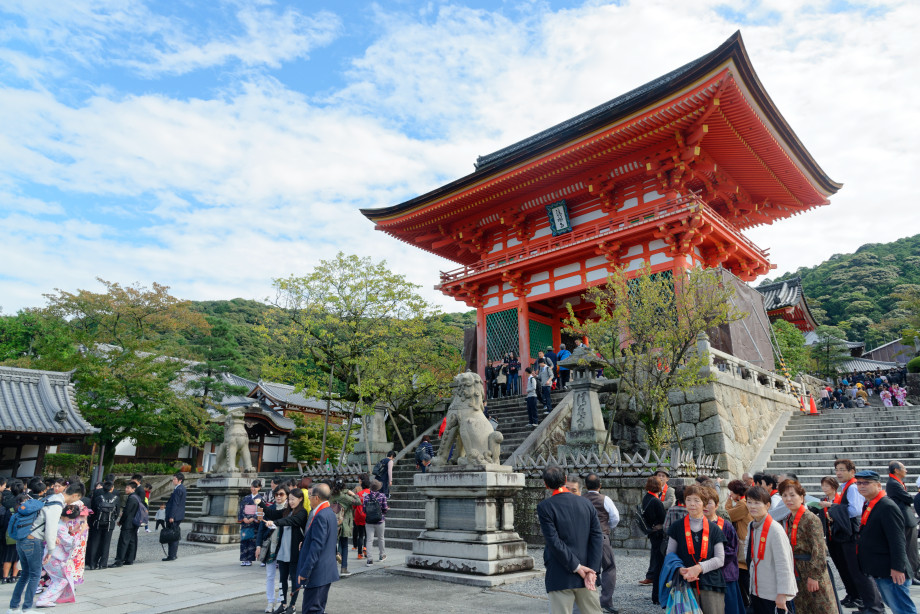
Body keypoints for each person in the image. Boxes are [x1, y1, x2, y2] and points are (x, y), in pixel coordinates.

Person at [536, 464, 603, 614]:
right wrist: (593, 570)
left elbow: (554, 541)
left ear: (546, 485)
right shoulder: (586, 503)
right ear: (565, 479)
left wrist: (577, 567)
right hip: (588, 573)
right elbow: (597, 537)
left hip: (561, 572)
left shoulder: (545, 507)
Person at [8, 480, 82, 614]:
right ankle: (26, 609)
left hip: (23, 538)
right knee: (35, 575)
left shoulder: (49, 498)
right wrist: (51, 550)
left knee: (25, 574)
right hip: (33, 541)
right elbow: (51, 529)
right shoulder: (57, 504)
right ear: (76, 496)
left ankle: (13, 608)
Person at [854, 470, 916, 614]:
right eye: (859, 483)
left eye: (866, 483)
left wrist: (898, 567)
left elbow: (897, 539)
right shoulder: (872, 504)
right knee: (895, 605)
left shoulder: (886, 506)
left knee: (903, 608)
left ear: (878, 485)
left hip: (891, 570)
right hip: (881, 569)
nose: (862, 486)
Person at [777, 480, 837, 614]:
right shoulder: (789, 518)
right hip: (797, 570)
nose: (788, 499)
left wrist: (814, 576)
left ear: (802, 497)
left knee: (820, 607)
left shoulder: (810, 518)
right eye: (785, 495)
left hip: (811, 569)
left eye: (792, 495)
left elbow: (819, 550)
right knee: (803, 608)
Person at [666, 483, 726, 614]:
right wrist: (680, 569)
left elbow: (720, 559)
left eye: (696, 500)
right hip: (685, 582)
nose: (692, 504)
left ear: (704, 505)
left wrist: (699, 568)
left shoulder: (714, 529)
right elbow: (670, 554)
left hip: (710, 584)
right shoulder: (676, 527)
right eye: (688, 500)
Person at [832, 459, 883, 613]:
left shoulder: (853, 488)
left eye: (842, 469)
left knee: (860, 573)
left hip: (853, 535)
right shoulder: (847, 487)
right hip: (849, 534)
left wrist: (833, 508)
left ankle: (874, 607)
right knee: (856, 572)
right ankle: (868, 605)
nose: (839, 473)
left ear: (852, 472)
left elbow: (855, 510)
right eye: (837, 470)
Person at [742, 486, 797, 614]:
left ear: (767, 505)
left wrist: (782, 594)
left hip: (774, 594)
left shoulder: (775, 529)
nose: (752, 506)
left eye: (757, 503)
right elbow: (747, 549)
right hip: (757, 590)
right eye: (749, 502)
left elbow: (784, 564)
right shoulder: (752, 525)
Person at [294, 484, 339, 614]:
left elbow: (317, 547)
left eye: (310, 496)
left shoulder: (320, 515)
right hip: (325, 570)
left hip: (317, 572)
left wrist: (305, 571)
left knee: (311, 609)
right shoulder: (329, 512)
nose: (309, 499)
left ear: (317, 498)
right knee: (318, 608)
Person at [264, 487, 310, 614]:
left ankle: (292, 605)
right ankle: (283, 604)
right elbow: (272, 513)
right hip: (283, 550)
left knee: (294, 578)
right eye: (289, 499)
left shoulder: (302, 513)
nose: (291, 502)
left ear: (300, 499)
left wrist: (275, 523)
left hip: (294, 551)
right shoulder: (287, 511)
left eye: (293, 499)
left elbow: (291, 521)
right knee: (282, 579)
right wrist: (260, 503)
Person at [35, 502, 90, 607]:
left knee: (59, 579)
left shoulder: (59, 523)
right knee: (61, 580)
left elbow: (65, 538)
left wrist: (74, 530)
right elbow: (71, 543)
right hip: (54, 558)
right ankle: (44, 599)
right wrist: (81, 531)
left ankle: (48, 598)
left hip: (51, 556)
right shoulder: (61, 527)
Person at [700, 487, 743, 614]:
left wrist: (711, 560)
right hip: (703, 575)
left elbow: (732, 550)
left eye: (709, 502)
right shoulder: (695, 525)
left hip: (725, 574)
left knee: (728, 608)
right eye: (702, 502)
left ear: (717, 505)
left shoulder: (726, 525)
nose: (705, 506)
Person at [583, 474, 619, 614]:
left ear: (585, 486)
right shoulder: (605, 499)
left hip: (584, 537)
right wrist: (606, 526)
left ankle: (586, 601)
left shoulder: (581, 499)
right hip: (602, 535)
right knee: (609, 567)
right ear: (600, 485)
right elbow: (615, 518)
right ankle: (605, 601)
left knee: (586, 568)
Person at [886, 461, 920, 580]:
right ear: (896, 470)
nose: (906, 471)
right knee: (910, 549)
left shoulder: (896, 482)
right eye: (904, 468)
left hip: (907, 518)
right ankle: (912, 574)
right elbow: (907, 498)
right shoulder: (893, 483)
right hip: (904, 519)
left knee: (912, 548)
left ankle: (914, 573)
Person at [257, 486, 287, 614]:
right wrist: (258, 545)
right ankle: (270, 601)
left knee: (283, 576)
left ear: (287, 495)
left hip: (284, 546)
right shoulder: (270, 508)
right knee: (270, 575)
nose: (278, 496)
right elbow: (261, 528)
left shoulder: (289, 510)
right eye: (276, 494)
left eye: (281, 494)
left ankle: (281, 601)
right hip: (270, 545)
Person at [724, 479, 752, 608]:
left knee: (743, 576)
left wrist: (728, 502)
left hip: (744, 543)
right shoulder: (743, 503)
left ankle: (748, 605)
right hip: (744, 542)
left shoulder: (743, 505)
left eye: (731, 491)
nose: (730, 494)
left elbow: (727, 515)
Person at [639, 476, 665, 605]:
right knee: (659, 565)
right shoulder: (656, 501)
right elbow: (663, 519)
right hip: (658, 535)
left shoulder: (646, 498)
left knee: (656, 562)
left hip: (652, 533)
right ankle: (657, 596)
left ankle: (656, 595)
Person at [329, 479, 359, 577]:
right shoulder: (345, 496)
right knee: (345, 545)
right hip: (344, 523)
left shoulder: (331, 496)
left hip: (333, 523)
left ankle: (332, 568)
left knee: (333, 545)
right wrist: (352, 493)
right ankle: (344, 569)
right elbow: (358, 502)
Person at [86, 480, 118, 570]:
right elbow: (117, 512)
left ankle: (92, 563)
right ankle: (103, 563)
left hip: (98, 522)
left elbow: (94, 510)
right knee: (106, 543)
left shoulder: (98, 498)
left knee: (95, 542)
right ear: (112, 488)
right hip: (109, 524)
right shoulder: (116, 498)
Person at [111, 481, 142, 567]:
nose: (126, 489)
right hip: (134, 522)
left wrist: (121, 521)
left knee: (123, 541)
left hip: (128, 523)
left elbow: (127, 512)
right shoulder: (137, 497)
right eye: (126, 487)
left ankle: (119, 560)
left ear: (133, 489)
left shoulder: (131, 498)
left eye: (128, 488)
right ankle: (130, 559)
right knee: (132, 541)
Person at [363, 479, 389, 565]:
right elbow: (385, 509)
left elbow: (364, 510)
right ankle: (382, 555)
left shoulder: (366, 497)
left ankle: (369, 559)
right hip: (380, 520)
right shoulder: (382, 496)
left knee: (369, 540)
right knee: (381, 538)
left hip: (369, 521)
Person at [239, 479, 264, 566]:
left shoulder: (261, 499)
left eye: (255, 487)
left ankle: (250, 559)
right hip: (245, 523)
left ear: (259, 488)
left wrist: (254, 518)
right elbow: (241, 509)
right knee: (244, 540)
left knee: (253, 541)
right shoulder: (246, 498)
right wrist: (244, 518)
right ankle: (244, 559)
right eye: (252, 487)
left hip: (254, 524)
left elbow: (261, 511)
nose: (253, 489)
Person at [163, 471, 186, 561]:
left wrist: (171, 516)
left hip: (174, 516)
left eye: (175, 479)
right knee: (174, 535)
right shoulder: (181, 488)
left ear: (180, 480)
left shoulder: (179, 489)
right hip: (177, 515)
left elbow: (175, 504)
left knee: (172, 535)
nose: (173, 480)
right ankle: (173, 554)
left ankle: (171, 555)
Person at [352, 475, 370, 560]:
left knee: (360, 535)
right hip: (368, 515)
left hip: (359, 515)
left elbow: (354, 506)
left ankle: (359, 554)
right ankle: (365, 548)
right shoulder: (371, 493)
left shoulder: (359, 494)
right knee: (367, 535)